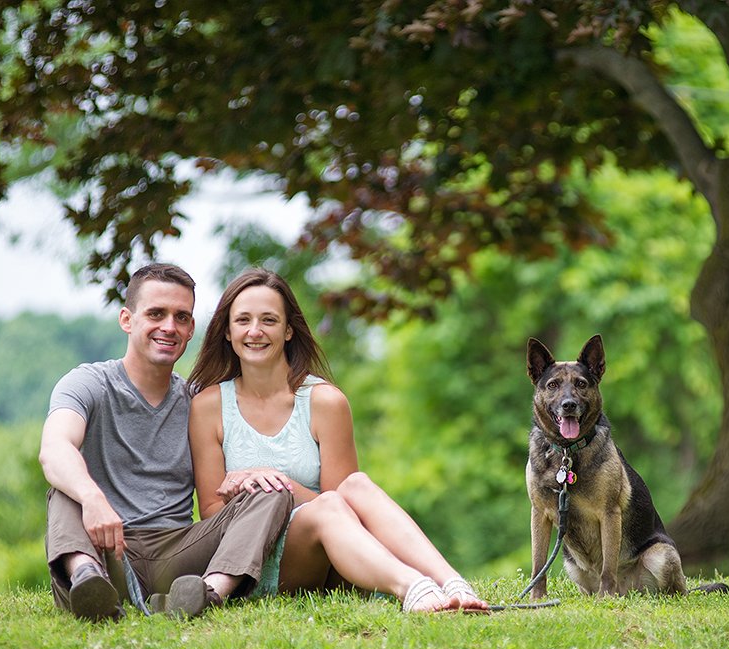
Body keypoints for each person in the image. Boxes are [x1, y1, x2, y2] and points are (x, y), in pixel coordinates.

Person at [186, 268, 488, 613]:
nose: (255, 331)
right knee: (329, 506)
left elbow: (343, 504)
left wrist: (279, 484)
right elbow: (210, 513)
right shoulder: (208, 406)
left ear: (288, 331)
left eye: (269, 320)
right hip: (253, 562)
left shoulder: (324, 401)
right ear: (227, 331)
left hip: (329, 555)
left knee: (356, 485)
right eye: (243, 320)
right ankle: (412, 587)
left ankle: (452, 582)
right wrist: (254, 489)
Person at [40, 263, 293, 622]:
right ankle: (87, 582)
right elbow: (54, 448)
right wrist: (92, 498)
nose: (169, 327)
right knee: (66, 487)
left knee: (272, 491)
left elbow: (217, 491)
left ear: (191, 328)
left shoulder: (198, 401)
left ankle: (208, 593)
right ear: (127, 320)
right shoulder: (88, 383)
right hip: (104, 549)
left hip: (178, 553)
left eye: (181, 317)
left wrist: (242, 480)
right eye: (156, 314)